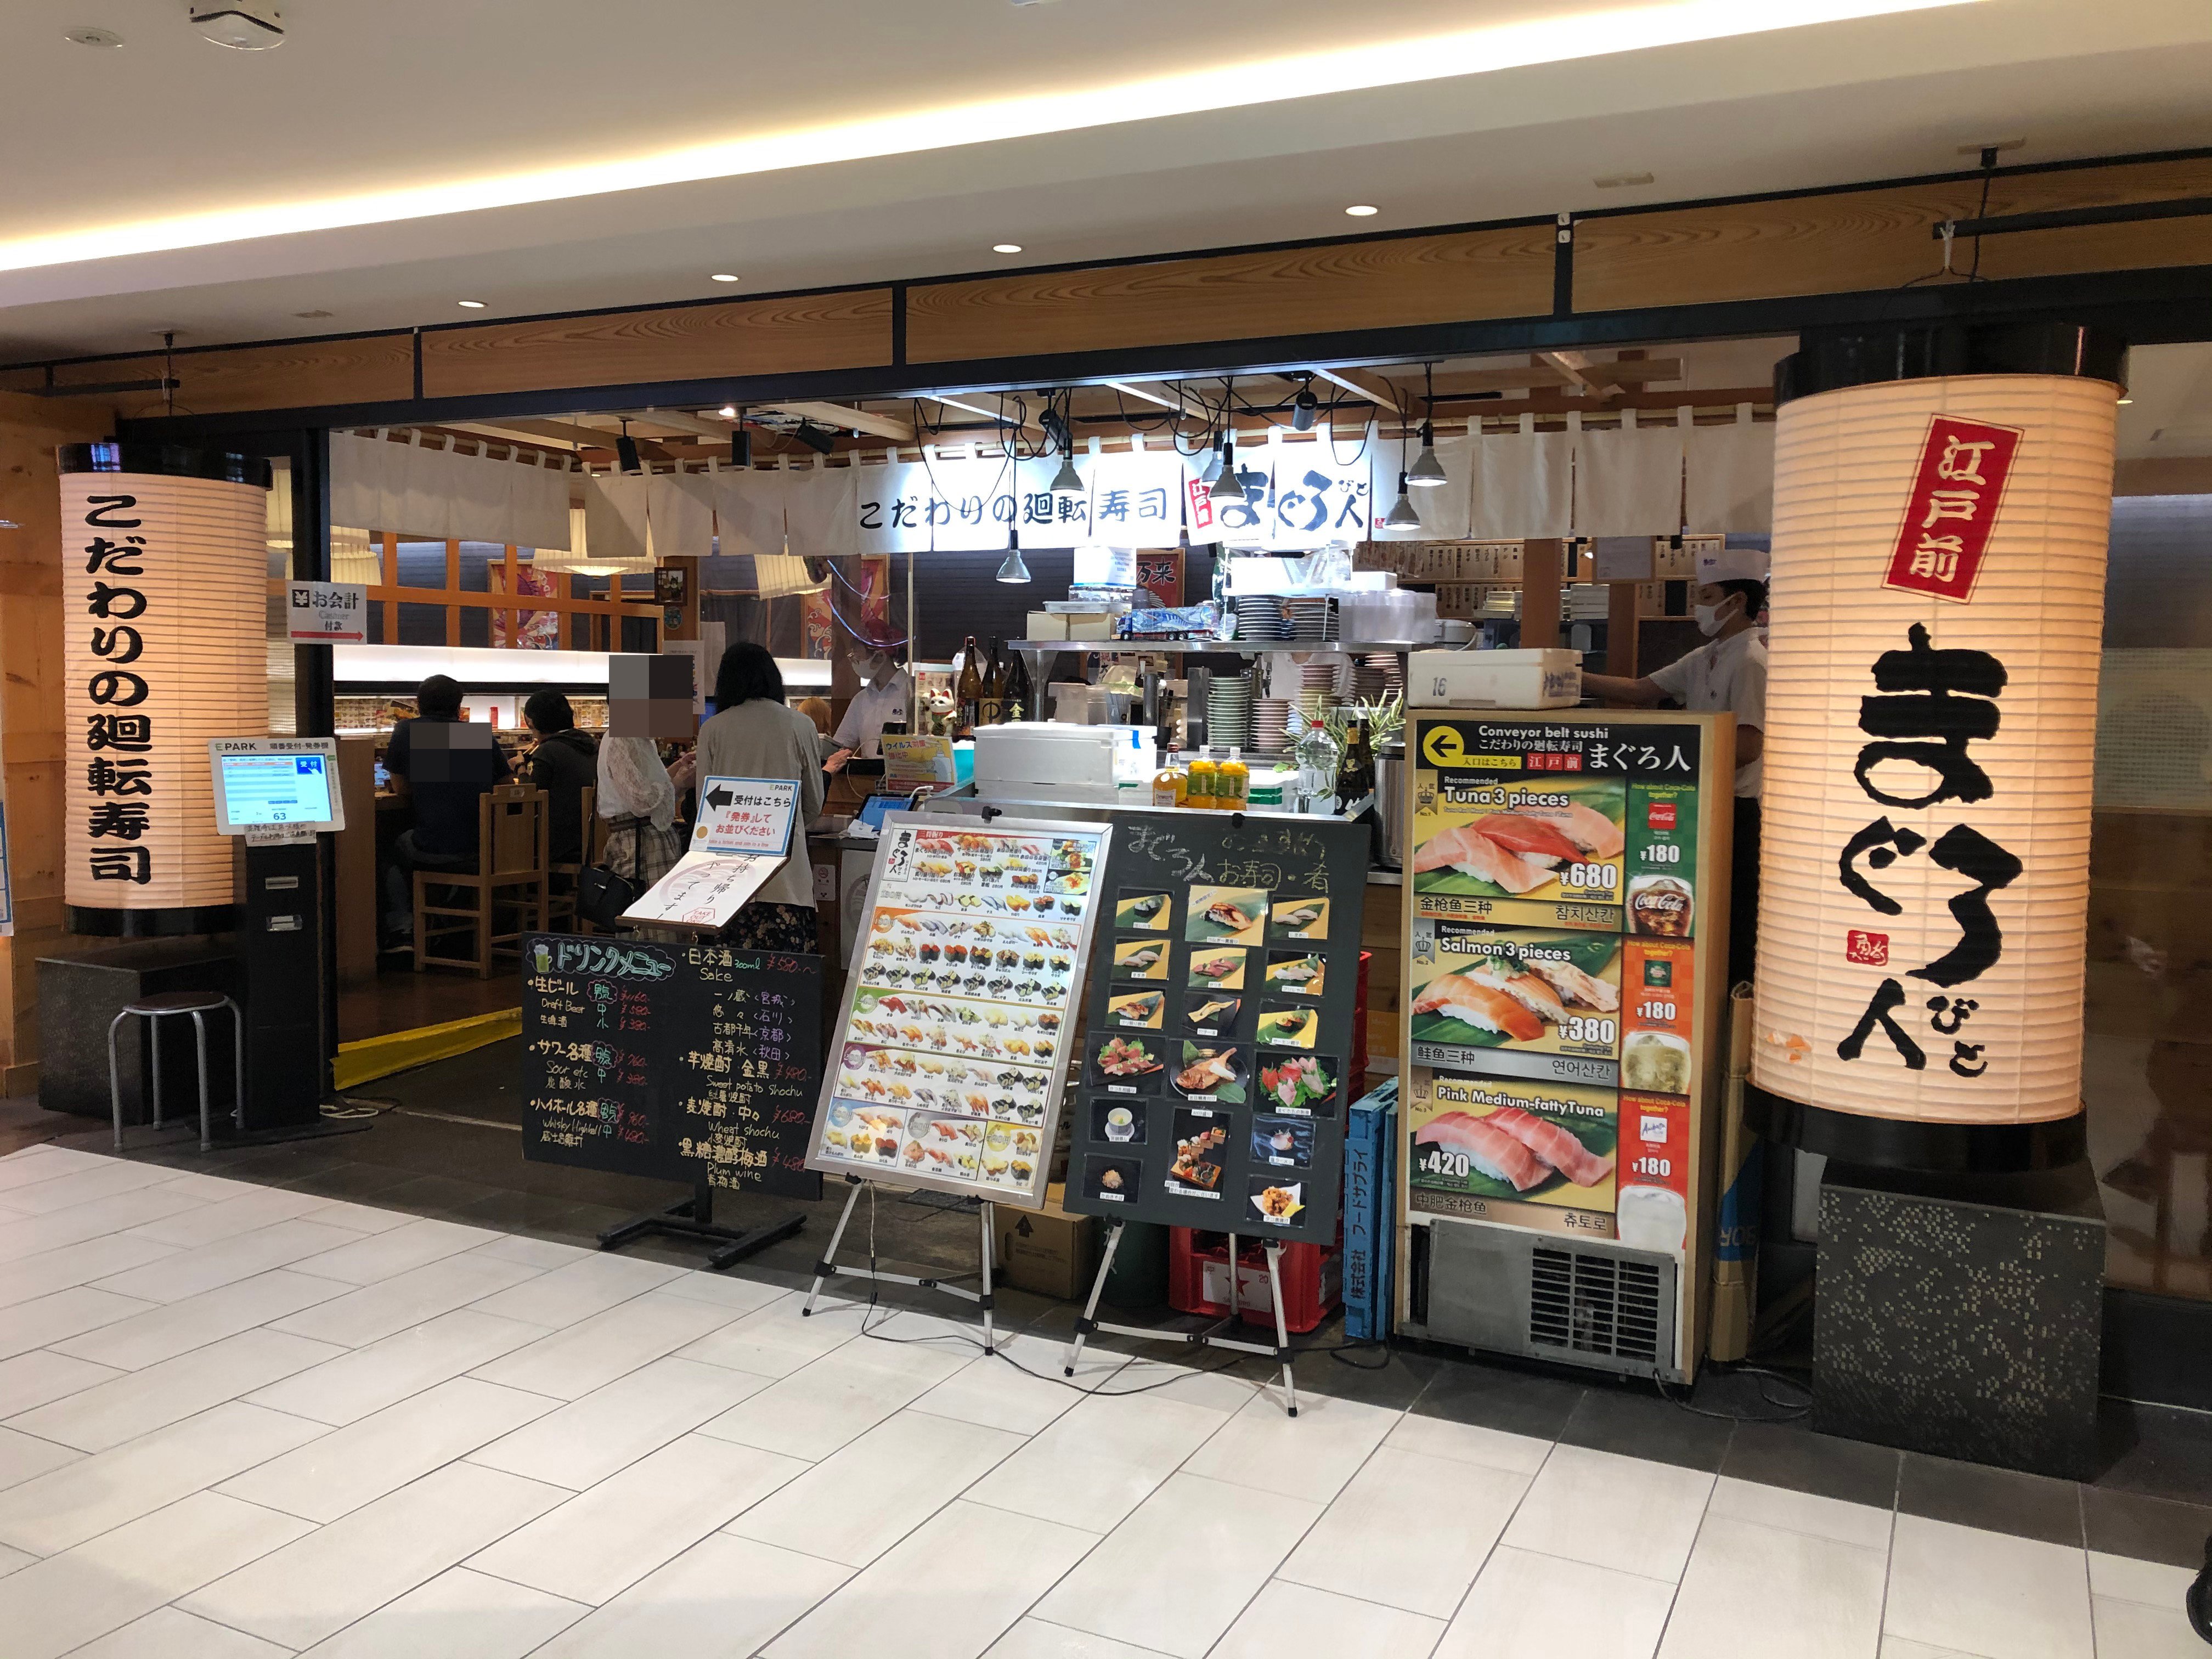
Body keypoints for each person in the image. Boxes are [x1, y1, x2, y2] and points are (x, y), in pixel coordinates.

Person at [1581, 556, 1768, 989]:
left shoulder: (1751, 661)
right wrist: (1564, 673)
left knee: (1732, 922)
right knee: (1692, 913)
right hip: (1700, 802)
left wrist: (1675, 758)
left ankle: (1731, 1014)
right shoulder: (1706, 656)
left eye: (1706, 598)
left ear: (1736, 601)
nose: (1697, 609)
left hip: (1737, 809)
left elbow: (1747, 745)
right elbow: (1641, 691)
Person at [693, 641, 827, 952]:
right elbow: (813, 803)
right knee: (786, 981)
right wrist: (785, 830)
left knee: (731, 982)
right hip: (787, 879)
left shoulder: (713, 729)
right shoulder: (801, 725)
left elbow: (705, 805)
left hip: (726, 882)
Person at [380, 674, 510, 951]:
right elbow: (505, 786)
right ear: (458, 705)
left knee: (390, 849)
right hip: (482, 846)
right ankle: (446, 927)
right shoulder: (477, 735)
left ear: (418, 704)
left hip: (437, 846)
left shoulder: (407, 731)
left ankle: (403, 931)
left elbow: (402, 790)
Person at [595, 734, 686, 893]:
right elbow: (641, 801)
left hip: (642, 838)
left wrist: (677, 769)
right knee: (652, 908)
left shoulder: (636, 737)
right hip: (640, 841)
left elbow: (645, 785)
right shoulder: (623, 738)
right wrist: (678, 783)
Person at [520, 690, 597, 868]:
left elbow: (530, 800)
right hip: (592, 839)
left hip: (559, 844)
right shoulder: (592, 745)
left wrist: (520, 769)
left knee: (503, 839)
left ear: (532, 722)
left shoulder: (548, 751)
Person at [828, 644, 911, 766]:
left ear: (880, 656)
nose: (856, 662)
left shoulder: (913, 692)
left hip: (909, 776)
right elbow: (842, 743)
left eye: (859, 656)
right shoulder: (861, 699)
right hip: (869, 778)